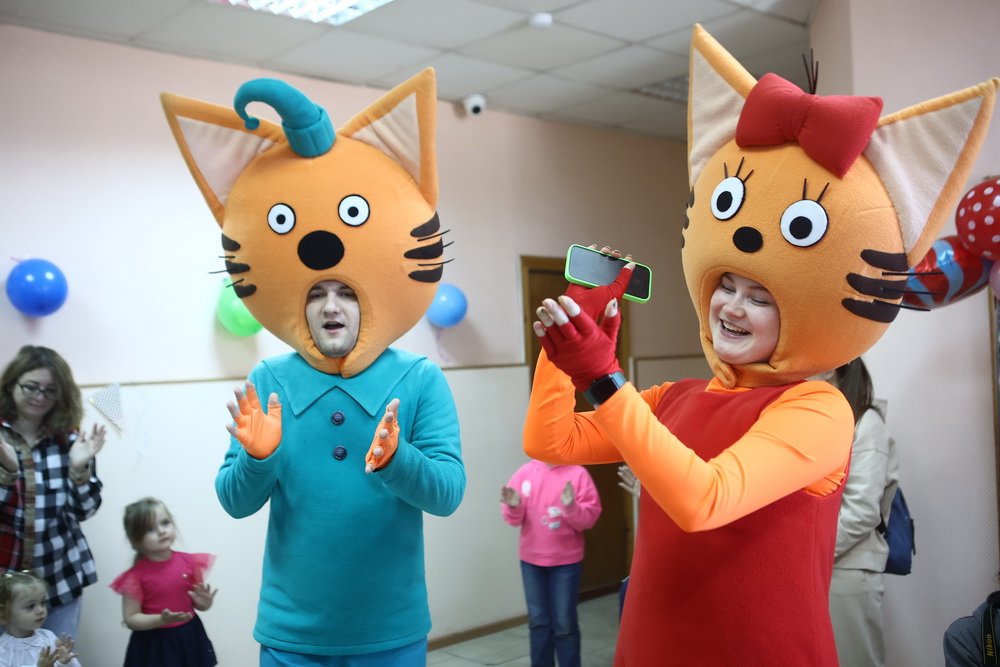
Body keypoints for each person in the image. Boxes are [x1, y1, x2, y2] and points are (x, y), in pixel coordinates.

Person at [522, 21, 995, 664]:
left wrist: (603, 378)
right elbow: (550, 442)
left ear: (802, 309)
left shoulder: (819, 409)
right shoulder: (674, 398)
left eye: (762, 296)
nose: (733, 307)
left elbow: (704, 498)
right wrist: (565, 343)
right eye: (727, 285)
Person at [163, 70, 465, 664]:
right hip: (291, 635)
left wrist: (397, 461)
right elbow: (235, 501)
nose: (331, 307)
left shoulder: (419, 378)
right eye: (317, 292)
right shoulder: (268, 381)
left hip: (390, 631)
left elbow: (447, 494)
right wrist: (258, 459)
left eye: (347, 292)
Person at [0, 346, 105, 640]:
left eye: (50, 390)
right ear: (11, 385)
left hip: (58, 579)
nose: (40, 396)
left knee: (56, 658)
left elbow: (83, 511)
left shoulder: (70, 440)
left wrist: (78, 470)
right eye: (31, 387)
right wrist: (7, 472)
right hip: (4, 584)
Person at [825, 358, 899, 667]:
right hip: (826, 567)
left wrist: (811, 553)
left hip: (848, 569)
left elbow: (862, 512)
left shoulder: (866, 423)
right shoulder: (822, 423)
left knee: (854, 660)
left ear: (833, 370)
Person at [500, 461, 601, 667]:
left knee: (564, 624)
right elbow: (513, 519)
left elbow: (588, 520)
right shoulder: (525, 472)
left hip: (566, 563)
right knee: (538, 622)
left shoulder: (578, 473)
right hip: (531, 561)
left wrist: (571, 507)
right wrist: (514, 506)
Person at [110, 497, 217, 667]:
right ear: (135, 540)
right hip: (154, 643)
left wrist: (204, 603)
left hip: (189, 636)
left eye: (165, 523)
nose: (161, 531)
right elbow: (131, 619)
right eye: (150, 529)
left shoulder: (190, 563)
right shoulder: (134, 577)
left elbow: (196, 605)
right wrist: (161, 619)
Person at [0, 569, 81, 667]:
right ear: (3, 615)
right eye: (30, 606)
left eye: (42, 603)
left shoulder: (48, 637)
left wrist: (64, 660)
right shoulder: (3, 649)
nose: (41, 610)